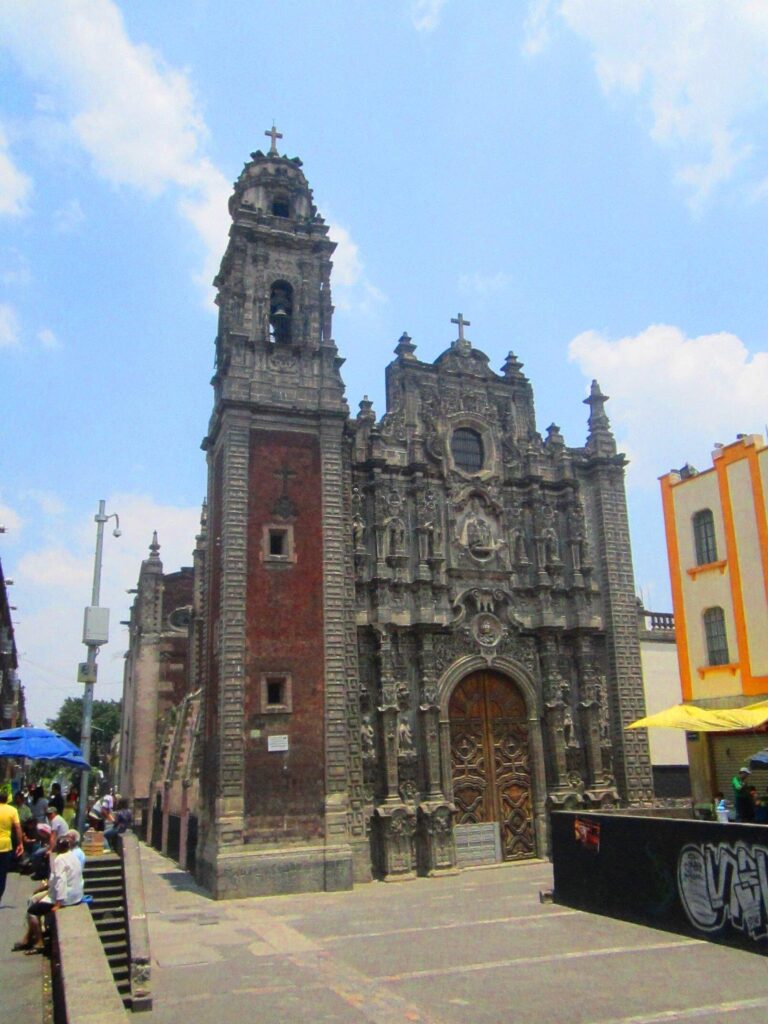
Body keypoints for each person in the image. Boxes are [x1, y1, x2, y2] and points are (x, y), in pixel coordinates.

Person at [12, 836, 84, 954]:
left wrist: (58, 903)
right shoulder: (74, 856)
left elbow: (61, 880)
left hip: (64, 898)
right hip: (76, 895)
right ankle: (27, 938)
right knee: (35, 900)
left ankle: (39, 942)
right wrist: (43, 888)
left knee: (32, 912)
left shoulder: (60, 859)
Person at [0, 789, 24, 905]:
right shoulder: (12, 810)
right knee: (2, 873)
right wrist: (20, 843)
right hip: (5, 846)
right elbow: (18, 828)